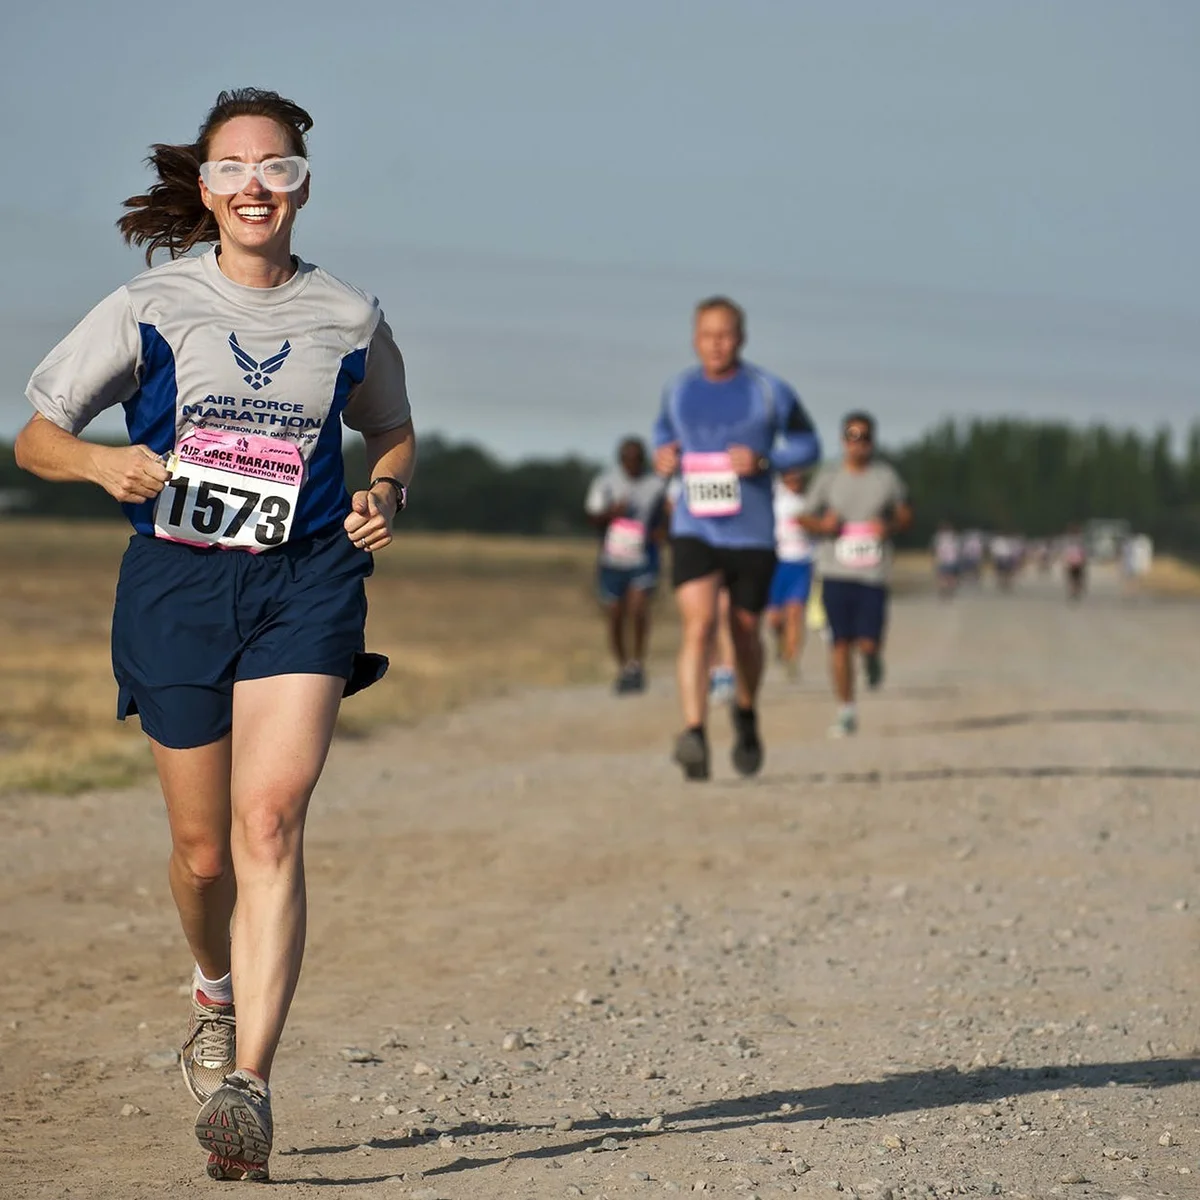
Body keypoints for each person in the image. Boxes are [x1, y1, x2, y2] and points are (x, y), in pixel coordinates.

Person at [14, 89, 415, 1183]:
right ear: (207, 187)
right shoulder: (149, 302)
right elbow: (37, 437)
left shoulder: (348, 313)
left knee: (271, 822)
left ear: (302, 184)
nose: (255, 186)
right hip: (178, 586)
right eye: (235, 168)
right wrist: (102, 464)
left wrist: (387, 488)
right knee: (203, 856)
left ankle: (251, 1083)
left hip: (307, 580)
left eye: (276, 168)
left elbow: (392, 426)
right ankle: (212, 987)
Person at [653, 296, 820, 780]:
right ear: (693, 338)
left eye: (725, 335)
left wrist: (767, 461)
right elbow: (662, 436)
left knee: (744, 631)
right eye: (707, 335)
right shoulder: (679, 390)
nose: (716, 344)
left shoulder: (769, 391)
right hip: (695, 527)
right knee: (699, 626)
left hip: (751, 533)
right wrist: (662, 456)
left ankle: (745, 714)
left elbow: (809, 444)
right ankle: (694, 733)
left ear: (741, 339)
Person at [800, 412, 912, 738]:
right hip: (835, 570)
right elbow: (804, 516)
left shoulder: (885, 478)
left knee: (867, 642)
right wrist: (822, 525)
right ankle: (846, 709)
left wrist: (889, 526)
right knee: (839, 643)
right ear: (842, 440)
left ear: (872, 441)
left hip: (873, 574)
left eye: (864, 437)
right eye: (852, 436)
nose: (858, 444)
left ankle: (873, 658)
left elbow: (906, 514)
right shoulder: (829, 477)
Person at [584, 436, 668, 693]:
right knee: (616, 615)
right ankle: (622, 666)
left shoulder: (656, 484)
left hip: (643, 558)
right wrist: (612, 513)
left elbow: (668, 515)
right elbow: (592, 516)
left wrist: (662, 532)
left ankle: (637, 663)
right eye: (628, 459)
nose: (633, 464)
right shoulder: (605, 483)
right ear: (620, 460)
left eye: (637, 459)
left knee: (639, 608)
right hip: (612, 559)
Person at [764, 468, 815, 677]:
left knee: (795, 613)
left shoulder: (810, 500)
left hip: (802, 562)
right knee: (775, 619)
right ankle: (780, 642)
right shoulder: (774, 496)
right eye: (790, 476)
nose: (794, 480)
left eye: (798, 476)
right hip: (776, 562)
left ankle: (793, 659)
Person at [931, 521, 961, 599]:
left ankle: (943, 595)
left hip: (942, 561)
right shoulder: (954, 537)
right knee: (952, 578)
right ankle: (951, 594)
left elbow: (934, 550)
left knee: (942, 578)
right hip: (953, 561)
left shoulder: (938, 538)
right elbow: (958, 550)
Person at [1061, 523, 1088, 601]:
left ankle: (1073, 592)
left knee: (1072, 579)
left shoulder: (1069, 542)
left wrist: (1065, 563)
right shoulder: (1080, 541)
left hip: (1072, 563)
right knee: (1077, 579)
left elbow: (1066, 554)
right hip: (1078, 563)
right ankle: (1076, 591)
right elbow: (1083, 554)